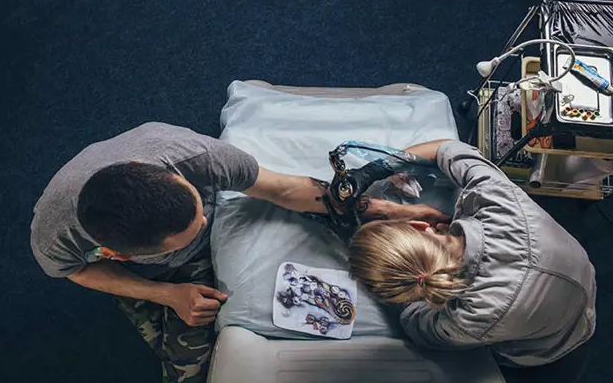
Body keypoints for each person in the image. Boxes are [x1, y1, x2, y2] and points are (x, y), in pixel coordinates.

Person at [30, 122, 448, 383]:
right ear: (118, 251)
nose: (207, 221)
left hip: (172, 260)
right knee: (188, 367)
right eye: (193, 229)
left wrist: (382, 210)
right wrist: (167, 295)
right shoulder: (55, 238)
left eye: (198, 208)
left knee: (197, 346)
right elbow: (77, 273)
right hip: (156, 278)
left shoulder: (190, 153)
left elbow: (284, 189)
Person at [341, 139, 596, 377]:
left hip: (558, 345)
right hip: (583, 273)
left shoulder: (470, 318)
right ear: (420, 226)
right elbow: (446, 148)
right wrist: (375, 173)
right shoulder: (498, 200)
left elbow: (417, 326)